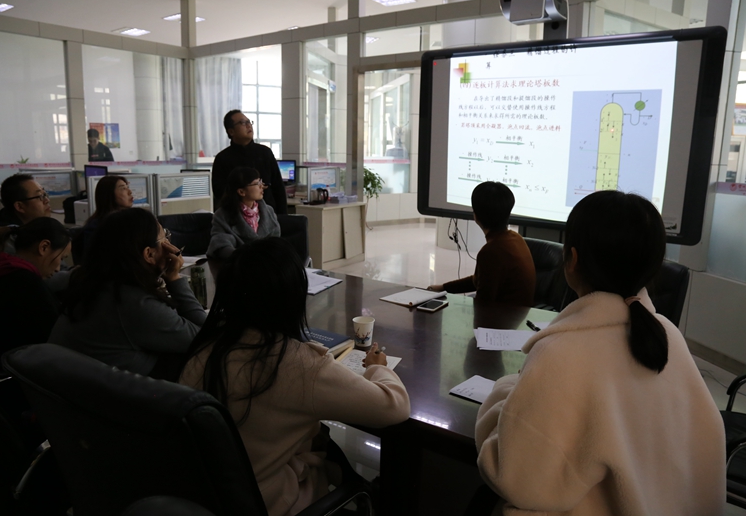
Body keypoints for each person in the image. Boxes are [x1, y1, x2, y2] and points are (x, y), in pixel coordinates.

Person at [472, 191, 725, 515]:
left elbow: (514, 476)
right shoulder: (667, 335)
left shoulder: (559, 353)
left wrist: (506, 389)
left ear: (572, 259)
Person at [181, 237, 409, 516]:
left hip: (208, 499)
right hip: (272, 501)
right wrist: (377, 367)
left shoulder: (204, 351)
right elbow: (394, 406)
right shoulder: (297, 364)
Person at [50, 207, 206, 378]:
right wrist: (174, 279)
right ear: (149, 254)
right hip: (108, 392)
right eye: (165, 238)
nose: (170, 244)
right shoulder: (133, 302)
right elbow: (206, 338)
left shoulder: (90, 280)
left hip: (69, 385)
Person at [0, 218, 71, 374]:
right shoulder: (26, 284)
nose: (58, 268)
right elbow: (55, 338)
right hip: (6, 374)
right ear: (44, 247)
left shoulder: (0, 269)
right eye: (61, 258)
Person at [428, 181, 535, 306]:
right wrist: (443, 288)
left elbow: (483, 304)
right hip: (518, 313)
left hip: (503, 316)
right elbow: (478, 280)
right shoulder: (516, 238)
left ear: (476, 216)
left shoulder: (491, 251)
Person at [211, 109, 287, 214]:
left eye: (249, 122)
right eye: (242, 123)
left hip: (267, 214)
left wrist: (283, 217)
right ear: (231, 131)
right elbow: (220, 193)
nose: (248, 125)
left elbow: (278, 187)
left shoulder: (265, 152)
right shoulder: (222, 158)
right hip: (236, 216)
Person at [207, 166, 280, 261]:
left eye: (261, 181)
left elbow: (276, 241)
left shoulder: (268, 211)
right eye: (257, 184)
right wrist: (244, 257)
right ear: (241, 192)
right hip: (238, 264)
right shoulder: (223, 215)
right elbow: (221, 244)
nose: (262, 186)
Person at [79, 175, 134, 261]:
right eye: (123, 188)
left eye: (128, 187)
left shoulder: (131, 221)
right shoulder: (96, 227)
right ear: (109, 194)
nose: (130, 192)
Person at [0, 173, 51, 237]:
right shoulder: (13, 238)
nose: (47, 200)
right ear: (20, 206)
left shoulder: (31, 223)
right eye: (39, 196)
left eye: (44, 194)